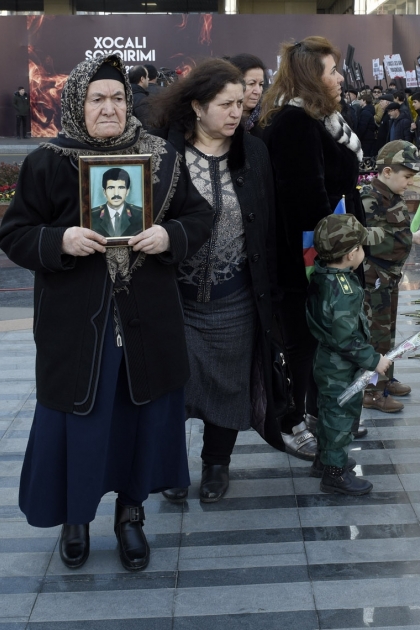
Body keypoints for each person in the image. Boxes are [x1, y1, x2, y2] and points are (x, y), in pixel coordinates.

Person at [0, 54, 212, 572]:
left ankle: (130, 517)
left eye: (118, 97)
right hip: (76, 327)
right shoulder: (48, 160)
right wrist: (60, 240)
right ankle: (76, 519)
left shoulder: (159, 155)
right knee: (79, 423)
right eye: (98, 98)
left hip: (147, 321)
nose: (110, 107)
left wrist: (170, 234)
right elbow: (14, 234)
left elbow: (199, 216)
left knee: (140, 420)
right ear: (78, 104)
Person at [146, 58, 279, 504]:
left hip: (235, 297)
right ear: (198, 106)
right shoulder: (165, 154)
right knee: (170, 391)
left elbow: (269, 225)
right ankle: (170, 469)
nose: (236, 112)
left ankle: (217, 464)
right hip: (173, 300)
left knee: (228, 386)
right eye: (226, 104)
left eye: (241, 103)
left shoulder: (254, 152)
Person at [261, 36, 366, 459]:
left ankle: (321, 413)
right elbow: (307, 204)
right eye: (332, 71)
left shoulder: (320, 118)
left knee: (322, 341)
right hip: (312, 260)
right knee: (306, 343)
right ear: (311, 77)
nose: (340, 78)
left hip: (330, 250)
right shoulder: (295, 123)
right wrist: (336, 260)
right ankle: (296, 421)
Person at [307, 213, 391, 495]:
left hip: (328, 364)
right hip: (340, 367)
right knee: (341, 419)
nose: (364, 251)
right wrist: (374, 360)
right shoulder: (342, 289)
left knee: (329, 414)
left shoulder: (323, 274)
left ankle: (324, 461)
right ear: (350, 254)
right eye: (361, 246)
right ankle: (335, 474)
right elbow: (345, 338)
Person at [361, 141, 420, 414]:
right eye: (407, 176)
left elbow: (396, 229)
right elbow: (367, 237)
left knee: (387, 333)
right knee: (375, 335)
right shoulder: (370, 198)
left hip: (389, 276)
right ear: (387, 172)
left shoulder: (394, 196)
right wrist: (405, 238)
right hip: (373, 277)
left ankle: (385, 378)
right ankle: (373, 391)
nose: (409, 182)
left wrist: (408, 237)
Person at [90, 168, 144, 237]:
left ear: (127, 191)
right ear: (104, 192)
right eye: (111, 188)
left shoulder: (141, 215)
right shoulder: (92, 216)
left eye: (121, 188)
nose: (116, 193)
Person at [227, 53, 266, 136]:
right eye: (251, 83)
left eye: (261, 84)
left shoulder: (268, 120)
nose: (258, 91)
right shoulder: (220, 119)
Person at [356, 90, 378, 156]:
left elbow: (362, 127)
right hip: (369, 137)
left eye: (361, 100)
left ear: (364, 101)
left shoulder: (365, 113)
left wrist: (358, 137)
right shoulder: (369, 110)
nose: (359, 101)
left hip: (366, 139)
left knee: (366, 156)